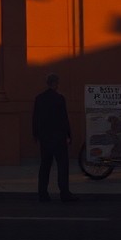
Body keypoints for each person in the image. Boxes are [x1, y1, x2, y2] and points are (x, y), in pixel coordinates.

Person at [32, 72, 78, 202]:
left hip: (45, 138)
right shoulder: (59, 98)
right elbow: (63, 119)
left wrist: (36, 134)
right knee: (62, 165)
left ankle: (42, 193)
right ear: (55, 83)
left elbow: (35, 118)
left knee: (45, 165)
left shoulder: (39, 98)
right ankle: (64, 193)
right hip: (58, 137)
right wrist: (68, 135)